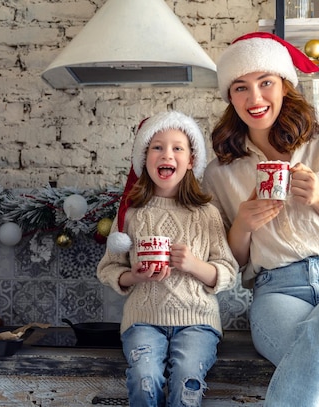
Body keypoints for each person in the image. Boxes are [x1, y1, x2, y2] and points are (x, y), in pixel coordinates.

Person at [201, 32, 319, 407]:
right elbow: (230, 263)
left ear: (285, 86)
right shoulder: (220, 172)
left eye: (265, 83)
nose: (254, 99)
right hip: (277, 292)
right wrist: (243, 223)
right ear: (229, 97)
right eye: (240, 88)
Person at [97, 110, 238, 407]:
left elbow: (228, 271)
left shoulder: (207, 214)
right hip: (143, 321)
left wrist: (195, 266)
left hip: (198, 321)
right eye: (157, 147)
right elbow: (109, 269)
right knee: (144, 376)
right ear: (145, 158)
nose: (167, 154)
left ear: (190, 161)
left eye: (177, 148)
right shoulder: (131, 213)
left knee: (187, 380)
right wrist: (135, 276)